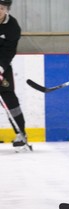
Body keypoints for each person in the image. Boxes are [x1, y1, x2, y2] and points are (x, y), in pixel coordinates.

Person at [0, 0, 31, 151]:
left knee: (10, 101)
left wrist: (0, 68)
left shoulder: (12, 27)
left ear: (6, 9)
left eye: (1, 8)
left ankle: (21, 134)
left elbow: (9, 52)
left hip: (2, 68)